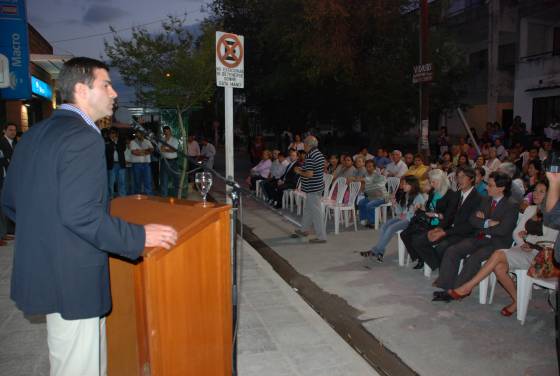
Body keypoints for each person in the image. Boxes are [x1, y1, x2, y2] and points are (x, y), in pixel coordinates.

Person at [1, 57, 178, 376]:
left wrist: (47, 237)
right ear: (81, 90)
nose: (114, 94)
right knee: (78, 367)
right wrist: (139, 236)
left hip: (50, 271)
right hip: (73, 279)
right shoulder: (84, 137)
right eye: (106, 85)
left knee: (73, 360)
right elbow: (81, 215)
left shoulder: (35, 135)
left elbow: (12, 201)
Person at [443, 182, 557, 313]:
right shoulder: (531, 209)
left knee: (497, 254)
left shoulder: (554, 214)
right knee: (499, 267)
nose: (536, 194)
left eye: (541, 191)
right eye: (535, 190)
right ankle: (517, 301)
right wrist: (523, 242)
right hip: (523, 249)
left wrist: (530, 241)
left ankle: (467, 287)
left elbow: (551, 239)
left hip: (542, 255)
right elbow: (516, 233)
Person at [433, 172, 518, 299]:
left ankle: (458, 290)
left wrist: (483, 225)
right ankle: (446, 285)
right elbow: (472, 219)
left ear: (501, 188)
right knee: (453, 250)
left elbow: (503, 230)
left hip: (497, 243)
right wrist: (488, 222)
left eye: (490, 185)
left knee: (474, 258)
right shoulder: (485, 199)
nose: (486, 188)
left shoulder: (511, 205)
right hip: (479, 236)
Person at [403, 167, 481, 271]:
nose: (460, 180)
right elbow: (448, 216)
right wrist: (439, 228)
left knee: (442, 246)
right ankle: (439, 266)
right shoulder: (457, 195)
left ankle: (443, 270)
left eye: (463, 177)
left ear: (471, 179)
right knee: (417, 241)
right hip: (446, 227)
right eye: (458, 177)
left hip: (464, 233)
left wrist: (443, 230)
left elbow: (469, 225)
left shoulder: (477, 198)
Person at [401, 169, 458, 269]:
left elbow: (449, 217)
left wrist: (435, 215)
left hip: (441, 225)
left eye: (433, 182)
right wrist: (422, 207)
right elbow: (428, 208)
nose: (431, 184)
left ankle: (434, 263)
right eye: (430, 181)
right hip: (428, 221)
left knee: (416, 239)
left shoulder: (451, 195)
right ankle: (420, 258)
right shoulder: (433, 192)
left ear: (441, 181)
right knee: (405, 234)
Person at [361, 176, 425, 263]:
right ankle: (380, 252)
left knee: (391, 228)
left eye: (405, 184)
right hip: (402, 217)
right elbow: (400, 212)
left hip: (411, 221)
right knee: (384, 226)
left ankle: (375, 251)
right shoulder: (406, 194)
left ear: (412, 185)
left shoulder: (419, 197)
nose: (403, 185)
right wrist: (395, 204)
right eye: (403, 183)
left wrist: (405, 216)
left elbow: (417, 214)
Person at [291, 136, 326, 243]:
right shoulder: (318, 153)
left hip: (312, 187)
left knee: (316, 213)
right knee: (308, 210)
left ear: (309, 145)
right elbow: (314, 170)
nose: (303, 146)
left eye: (304, 144)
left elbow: (310, 174)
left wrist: (299, 172)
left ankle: (321, 237)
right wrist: (302, 169)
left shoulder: (310, 155)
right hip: (317, 186)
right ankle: (304, 230)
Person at [357, 159, 387, 227]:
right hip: (371, 196)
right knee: (361, 202)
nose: (368, 168)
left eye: (370, 166)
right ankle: (365, 219)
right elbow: (364, 186)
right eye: (367, 166)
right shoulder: (366, 174)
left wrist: (360, 180)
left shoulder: (377, 174)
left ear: (374, 167)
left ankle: (373, 222)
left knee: (369, 204)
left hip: (382, 197)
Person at [105, 128, 127, 197]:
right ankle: (111, 197)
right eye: (111, 133)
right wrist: (113, 143)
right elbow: (108, 150)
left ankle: (122, 197)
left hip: (120, 164)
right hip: (112, 165)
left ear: (116, 134)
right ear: (109, 134)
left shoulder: (121, 141)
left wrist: (116, 142)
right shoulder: (106, 142)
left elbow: (123, 148)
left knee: (122, 182)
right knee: (111, 183)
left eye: (114, 133)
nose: (113, 135)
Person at [158, 126, 180, 197]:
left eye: (168, 131)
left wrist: (165, 149)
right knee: (164, 180)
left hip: (174, 162)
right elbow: (159, 150)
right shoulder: (162, 140)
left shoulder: (175, 140)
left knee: (176, 180)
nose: (167, 133)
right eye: (165, 132)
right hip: (164, 161)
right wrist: (165, 143)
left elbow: (174, 150)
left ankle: (176, 197)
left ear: (170, 131)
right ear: (164, 133)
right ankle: (164, 198)